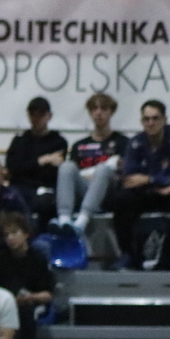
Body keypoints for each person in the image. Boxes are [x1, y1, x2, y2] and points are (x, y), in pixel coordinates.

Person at [114, 99, 170, 271]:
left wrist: (150, 179)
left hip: (168, 195)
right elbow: (130, 177)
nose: (150, 123)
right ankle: (128, 255)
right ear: (141, 121)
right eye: (146, 119)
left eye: (155, 118)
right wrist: (161, 182)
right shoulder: (135, 143)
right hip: (148, 193)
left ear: (164, 120)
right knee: (121, 199)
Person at [0, 212, 55, 339]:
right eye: (7, 235)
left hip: (32, 304)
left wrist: (31, 297)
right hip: (3, 305)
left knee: (25, 314)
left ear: (26, 234)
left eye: (14, 233)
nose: (10, 238)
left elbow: (47, 294)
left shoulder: (38, 259)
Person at [54, 92, 126, 240]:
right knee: (66, 166)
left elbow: (121, 173)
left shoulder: (122, 142)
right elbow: (74, 175)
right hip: (85, 188)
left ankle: (82, 221)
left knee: (103, 169)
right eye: (94, 109)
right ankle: (64, 219)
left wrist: (96, 173)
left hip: (108, 192)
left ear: (111, 112)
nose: (98, 113)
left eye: (103, 108)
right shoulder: (79, 145)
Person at [4, 96, 68, 227]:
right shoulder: (19, 141)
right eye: (33, 114)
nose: (36, 118)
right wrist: (43, 160)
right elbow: (13, 168)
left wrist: (27, 166)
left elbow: (51, 174)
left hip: (45, 189)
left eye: (41, 114)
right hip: (20, 187)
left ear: (49, 116)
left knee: (44, 202)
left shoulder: (58, 142)